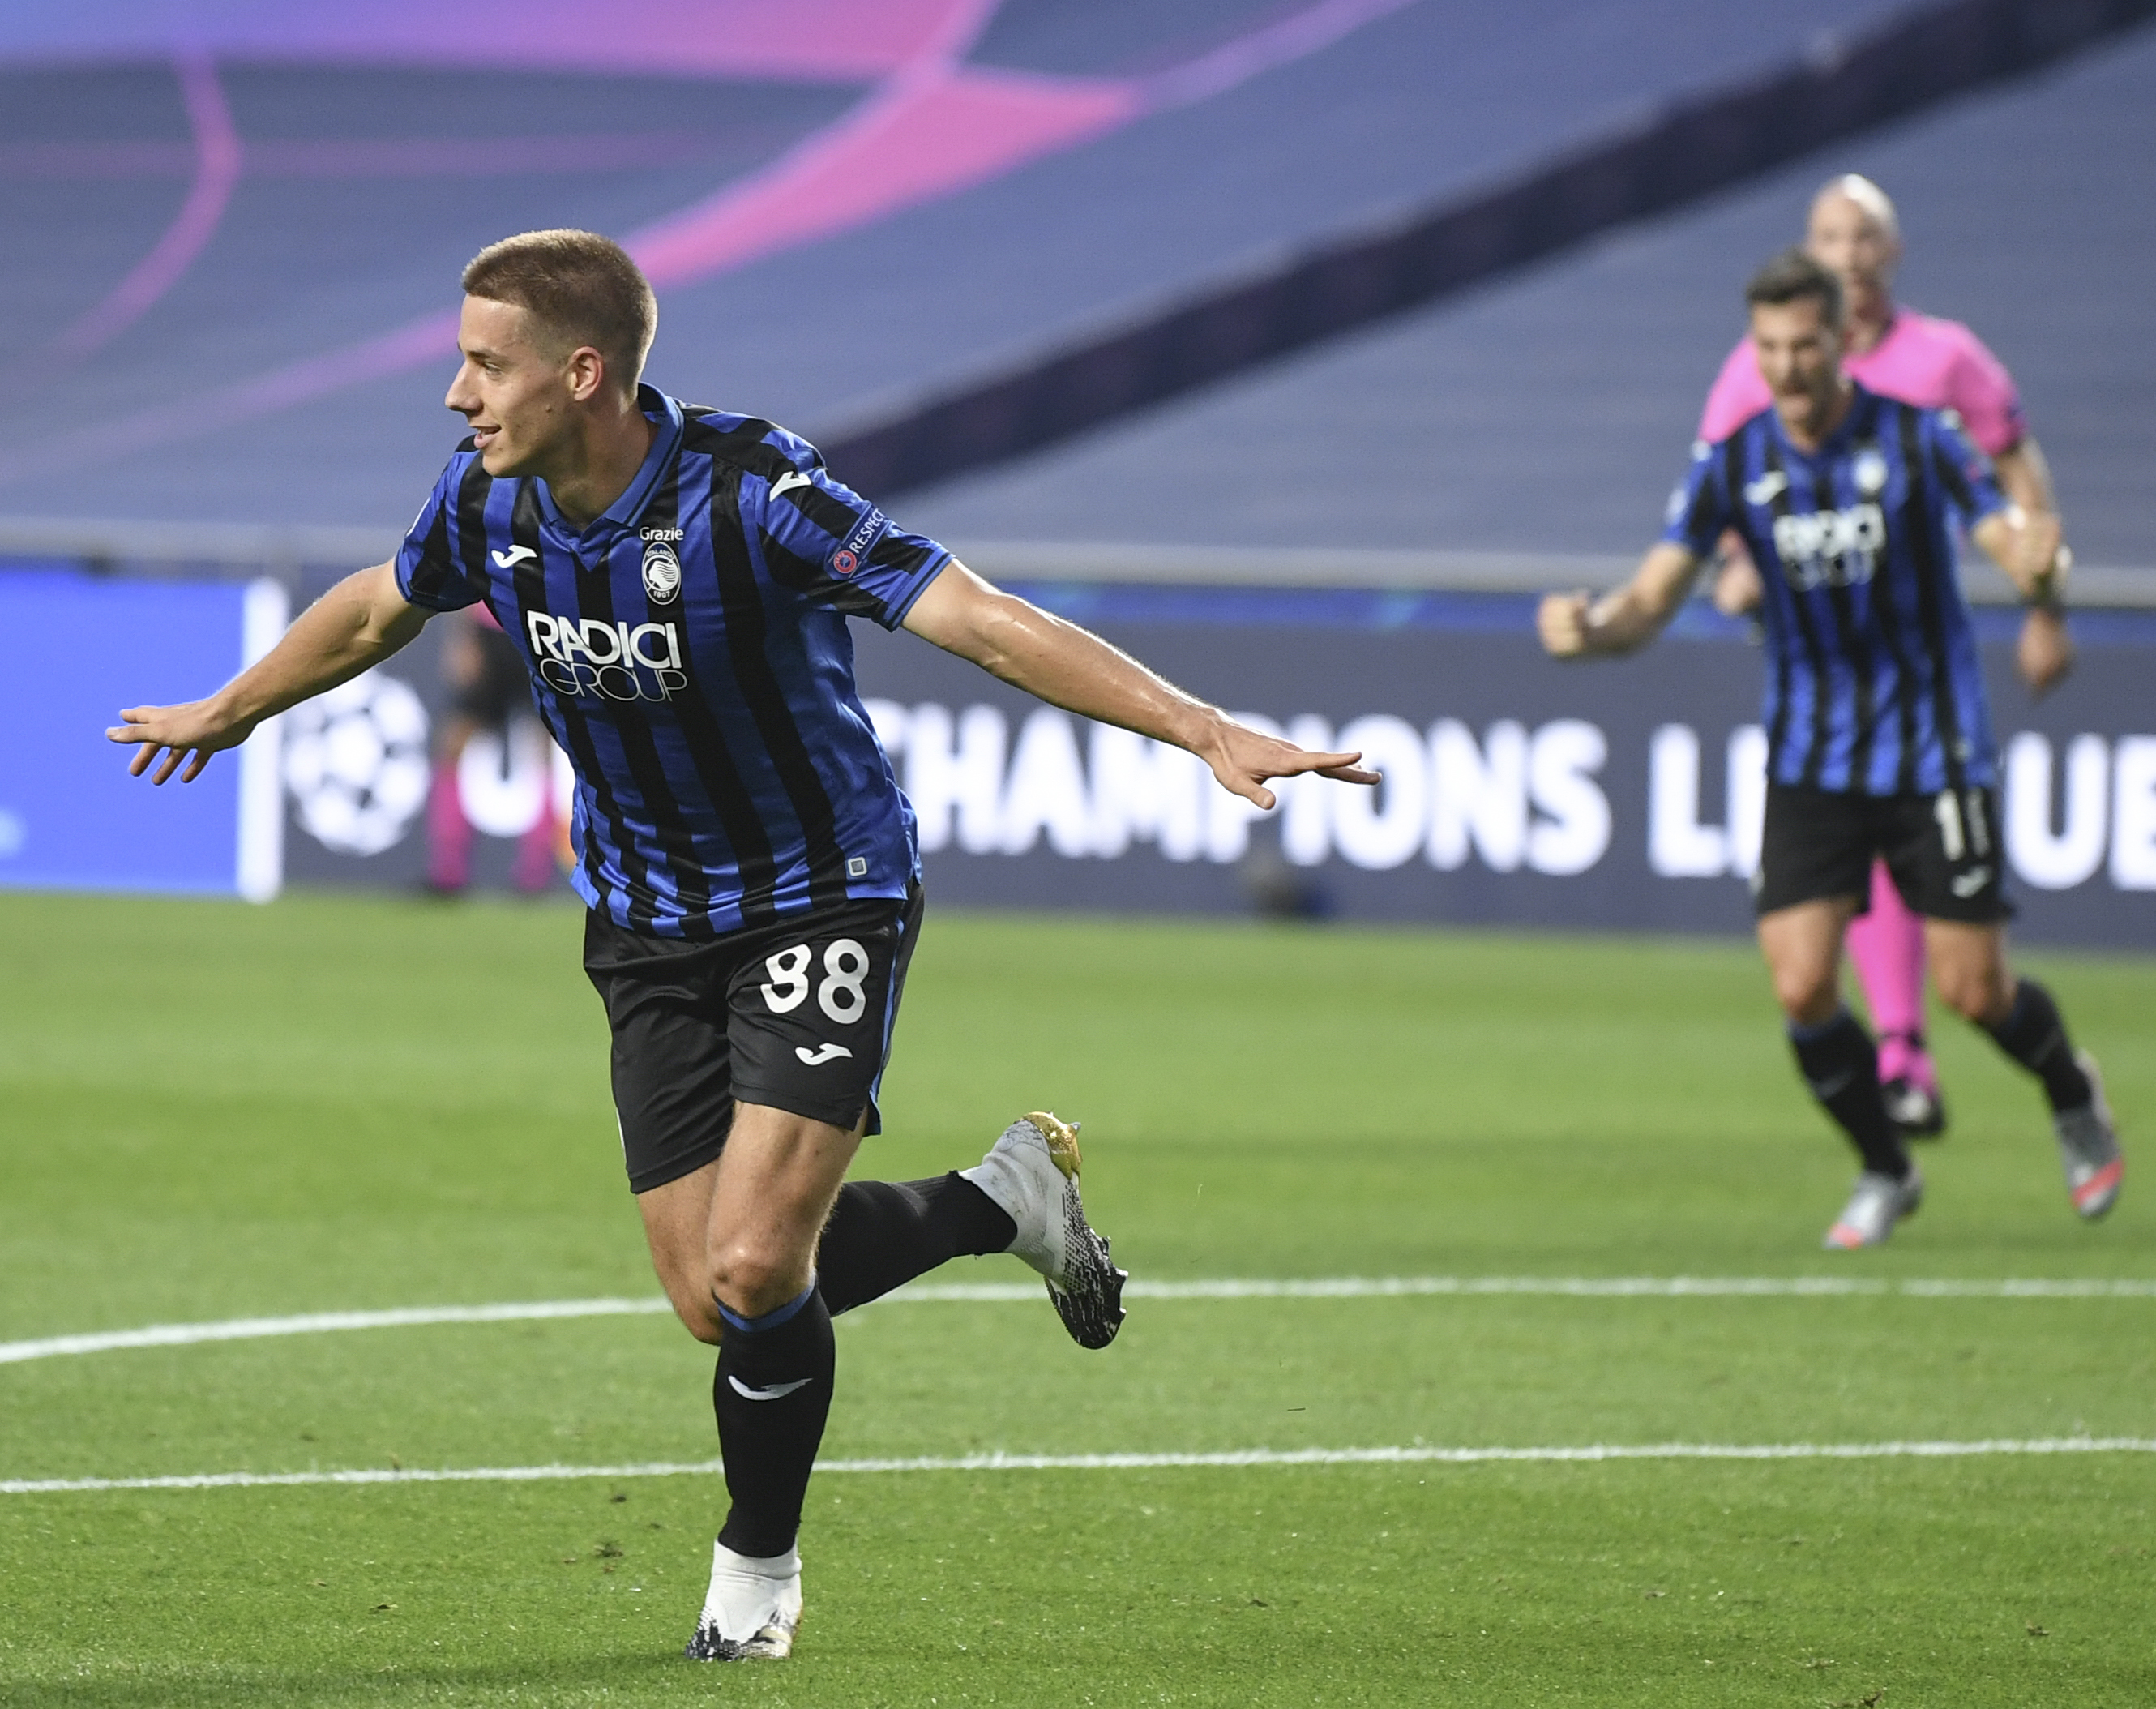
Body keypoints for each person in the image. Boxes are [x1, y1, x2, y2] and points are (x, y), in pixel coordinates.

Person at [108, 229, 1375, 1662]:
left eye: (485, 362)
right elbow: (373, 604)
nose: (458, 393)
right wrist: (234, 706)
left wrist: (1200, 725)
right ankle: (997, 1198)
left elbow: (984, 621)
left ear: (582, 373)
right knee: (715, 1299)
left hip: (817, 892)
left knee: (762, 1261)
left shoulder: (752, 492)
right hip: (647, 924)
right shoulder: (487, 499)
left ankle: (754, 1579)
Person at [1538, 247, 2121, 1250]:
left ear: (1840, 336)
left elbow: (2004, 533)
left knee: (1971, 990)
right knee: (1802, 983)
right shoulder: (1732, 461)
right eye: (1767, 347)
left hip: (1933, 750)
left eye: (1803, 344)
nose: (1785, 367)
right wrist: (1592, 630)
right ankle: (1884, 1167)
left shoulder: (1915, 438)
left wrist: (2038, 576)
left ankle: (2071, 1091)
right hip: (1811, 761)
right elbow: (1649, 600)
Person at [1696, 174, 2074, 1139]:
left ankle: (1919, 1042)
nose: (1848, 253)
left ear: (1890, 252)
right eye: (1829, 235)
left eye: (1863, 236)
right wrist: (1732, 568)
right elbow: (1719, 490)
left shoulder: (1943, 359)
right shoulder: (1758, 363)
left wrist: (2042, 599)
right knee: (1808, 938)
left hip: (1915, 657)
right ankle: (1897, 1058)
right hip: (1814, 661)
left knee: (1961, 957)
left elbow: (2010, 469)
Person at [424, 602, 562, 895]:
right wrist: (464, 639)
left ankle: (534, 874)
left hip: (537, 628)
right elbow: (471, 568)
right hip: (498, 630)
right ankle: (448, 872)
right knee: (455, 744)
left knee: (544, 745)